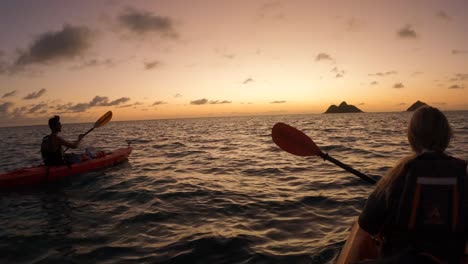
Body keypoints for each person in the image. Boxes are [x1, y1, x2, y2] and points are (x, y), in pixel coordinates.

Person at [357, 106, 468, 263]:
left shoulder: (396, 176)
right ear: (447, 136)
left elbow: (367, 222)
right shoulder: (463, 174)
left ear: (412, 138)